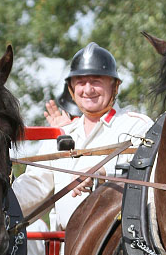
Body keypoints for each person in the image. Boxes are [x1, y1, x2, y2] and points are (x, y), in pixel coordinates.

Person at [13, 42, 153, 231]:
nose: (88, 90)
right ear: (71, 89)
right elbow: (34, 187)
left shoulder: (137, 126)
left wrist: (103, 173)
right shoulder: (61, 135)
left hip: (119, 250)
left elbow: (148, 179)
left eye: (96, 81)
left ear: (115, 86)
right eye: (81, 82)